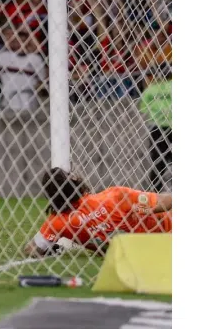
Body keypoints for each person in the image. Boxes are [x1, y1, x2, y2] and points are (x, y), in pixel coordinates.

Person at [24, 168, 172, 257]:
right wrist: (144, 210)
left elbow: (31, 250)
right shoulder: (115, 196)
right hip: (165, 234)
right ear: (77, 182)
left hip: (131, 252)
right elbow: (169, 201)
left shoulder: (57, 223)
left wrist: (50, 249)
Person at [139, 63, 172, 192]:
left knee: (158, 161)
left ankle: (155, 192)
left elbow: (143, 108)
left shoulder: (151, 89)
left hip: (157, 127)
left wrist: (158, 111)